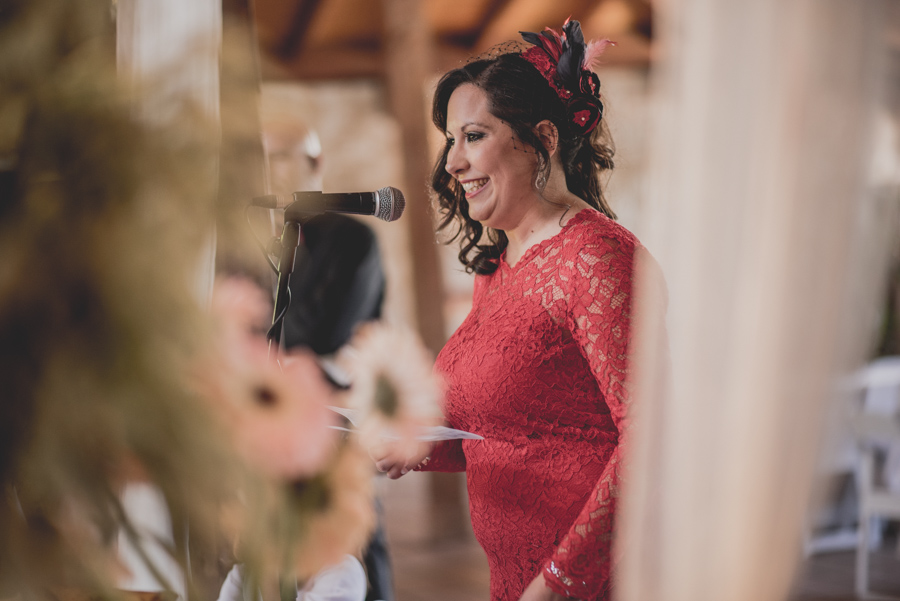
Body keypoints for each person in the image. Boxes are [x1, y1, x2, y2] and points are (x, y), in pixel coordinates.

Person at [373, 20, 651, 601]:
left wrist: (559, 582)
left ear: (542, 138)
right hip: (512, 579)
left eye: (473, 136)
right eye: (451, 140)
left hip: (587, 584)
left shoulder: (595, 259)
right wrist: (408, 445)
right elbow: (505, 432)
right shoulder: (498, 268)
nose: (451, 162)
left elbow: (651, 439)